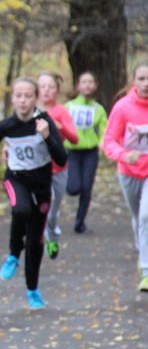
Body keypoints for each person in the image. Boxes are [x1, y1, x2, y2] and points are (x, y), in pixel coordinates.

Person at [0, 78, 67, 309]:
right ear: (13, 99)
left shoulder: (44, 122)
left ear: (35, 98)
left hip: (41, 185)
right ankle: (12, 254)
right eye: (18, 95)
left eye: (28, 95)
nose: (22, 100)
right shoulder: (6, 125)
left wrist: (48, 136)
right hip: (15, 179)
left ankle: (33, 290)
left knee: (36, 240)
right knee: (20, 209)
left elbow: (62, 159)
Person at [102, 63, 148, 291]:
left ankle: (146, 269)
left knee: (146, 216)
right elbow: (108, 141)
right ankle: (143, 249)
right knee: (137, 215)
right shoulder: (123, 108)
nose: (146, 83)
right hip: (129, 171)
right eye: (141, 78)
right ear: (134, 81)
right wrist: (124, 154)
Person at [38, 72, 78, 258]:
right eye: (43, 86)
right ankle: (38, 238)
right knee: (45, 203)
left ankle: (53, 236)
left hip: (58, 168)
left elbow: (74, 138)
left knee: (53, 211)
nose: (46, 90)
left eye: (51, 87)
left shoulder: (61, 111)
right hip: (36, 169)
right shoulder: (29, 109)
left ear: (57, 91)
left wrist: (57, 126)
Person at [65, 71, 107, 234]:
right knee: (74, 188)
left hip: (90, 152)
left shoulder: (99, 109)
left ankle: (79, 222)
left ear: (95, 86)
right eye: (84, 82)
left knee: (87, 188)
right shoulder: (69, 107)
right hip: (73, 151)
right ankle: (71, 185)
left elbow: (105, 130)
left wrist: (103, 144)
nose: (87, 85)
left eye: (91, 82)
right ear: (78, 85)